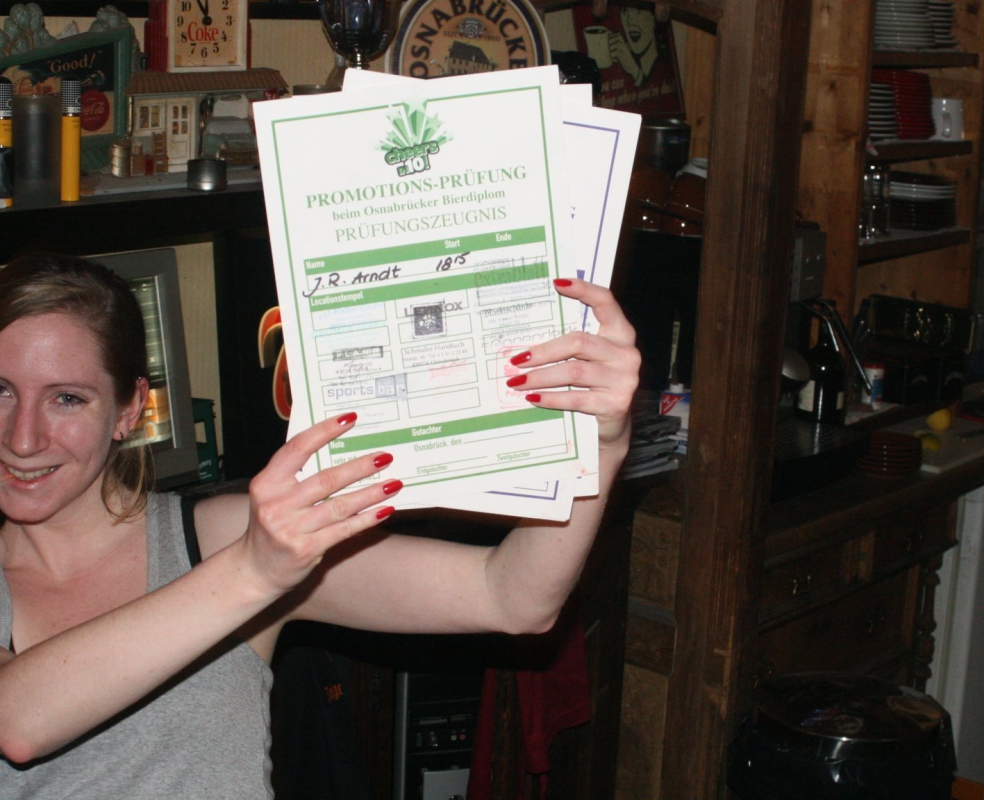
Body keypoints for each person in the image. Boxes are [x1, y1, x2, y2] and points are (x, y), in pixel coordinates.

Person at [0, 252, 639, 797]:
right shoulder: (248, 557)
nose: (23, 437)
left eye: (67, 399)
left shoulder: (219, 540)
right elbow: (19, 722)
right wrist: (254, 572)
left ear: (130, 408)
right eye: (0, 391)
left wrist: (601, 444)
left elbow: (511, 596)